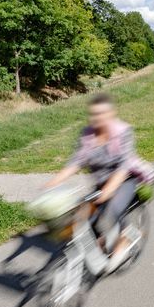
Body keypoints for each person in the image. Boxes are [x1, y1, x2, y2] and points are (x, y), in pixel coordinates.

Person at [46, 93, 139, 271]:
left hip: (125, 180)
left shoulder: (123, 131)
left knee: (113, 210)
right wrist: (53, 182)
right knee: (85, 218)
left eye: (101, 114)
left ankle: (126, 238)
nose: (96, 118)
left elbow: (124, 165)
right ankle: (100, 248)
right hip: (101, 184)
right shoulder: (87, 134)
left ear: (111, 114)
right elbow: (76, 162)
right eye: (93, 114)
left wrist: (110, 188)